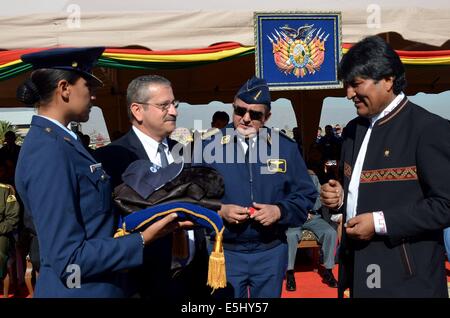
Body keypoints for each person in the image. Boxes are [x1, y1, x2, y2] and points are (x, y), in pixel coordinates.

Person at [14, 48, 192, 297]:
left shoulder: (62, 142)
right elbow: (69, 259)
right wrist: (141, 239)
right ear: (65, 89)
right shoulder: (49, 151)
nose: (94, 97)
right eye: (88, 86)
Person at [320, 36, 450, 298]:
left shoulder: (428, 129)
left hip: (407, 281)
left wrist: (380, 223)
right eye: (347, 85)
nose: (348, 94)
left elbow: (445, 204)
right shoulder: (351, 131)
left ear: (388, 80)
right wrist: (339, 198)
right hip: (358, 272)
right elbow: (358, 193)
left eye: (356, 84)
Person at [198, 76, 317, 298]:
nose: (245, 119)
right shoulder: (208, 148)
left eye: (254, 114)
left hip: (270, 253)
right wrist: (219, 210)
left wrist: (280, 211)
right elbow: (192, 197)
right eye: (239, 111)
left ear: (267, 117)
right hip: (226, 252)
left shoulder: (285, 148)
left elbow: (306, 194)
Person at [94, 75, 209, 299]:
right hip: (142, 284)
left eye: (174, 104)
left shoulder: (185, 153)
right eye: (164, 105)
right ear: (137, 111)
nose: (174, 111)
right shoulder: (111, 159)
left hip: (192, 280)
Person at [285, 169, 338, 292]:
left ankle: (328, 271)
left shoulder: (312, 176)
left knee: (330, 232)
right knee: (291, 235)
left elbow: (319, 200)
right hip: (294, 218)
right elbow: (283, 201)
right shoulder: (285, 177)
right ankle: (290, 273)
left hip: (313, 217)